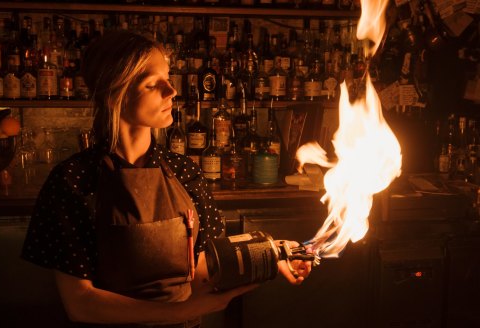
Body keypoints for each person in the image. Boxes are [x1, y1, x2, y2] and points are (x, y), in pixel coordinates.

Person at [21, 29, 311, 327]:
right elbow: (81, 304)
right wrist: (180, 313)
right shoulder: (73, 181)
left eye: (168, 77)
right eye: (152, 84)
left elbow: (200, 271)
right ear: (114, 93)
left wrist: (270, 255)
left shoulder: (184, 171)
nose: (171, 91)